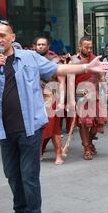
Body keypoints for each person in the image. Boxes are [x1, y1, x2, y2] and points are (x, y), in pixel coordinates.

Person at [0, 20, 108, 213]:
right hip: (4, 129)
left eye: (3, 35)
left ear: (12, 37)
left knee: (28, 174)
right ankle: (19, 212)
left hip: (29, 127)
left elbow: (58, 68)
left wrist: (87, 67)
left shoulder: (29, 58)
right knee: (11, 173)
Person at [35, 37, 65, 165]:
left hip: (52, 96)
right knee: (37, 127)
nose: (40, 46)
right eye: (38, 45)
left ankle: (58, 155)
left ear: (48, 46)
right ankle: (39, 152)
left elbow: (62, 82)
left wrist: (62, 101)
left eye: (43, 44)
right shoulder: (31, 60)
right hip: (35, 97)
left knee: (54, 128)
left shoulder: (56, 61)